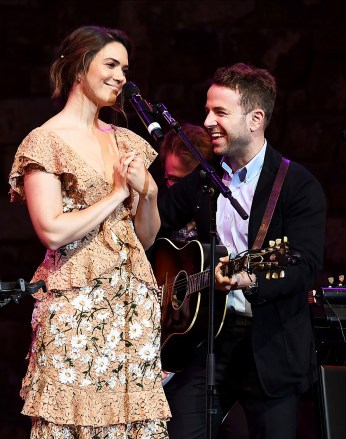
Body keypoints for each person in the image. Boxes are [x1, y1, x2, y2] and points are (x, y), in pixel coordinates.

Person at [9, 25, 170, 438]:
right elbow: (52, 230)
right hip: (76, 311)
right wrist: (118, 193)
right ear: (79, 67)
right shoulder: (45, 141)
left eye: (125, 68)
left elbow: (146, 238)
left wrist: (147, 194)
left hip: (131, 310)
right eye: (111, 64)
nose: (121, 77)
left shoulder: (127, 141)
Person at [157, 62, 326, 439]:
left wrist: (248, 279)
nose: (207, 121)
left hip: (270, 346)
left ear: (255, 119)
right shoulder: (206, 177)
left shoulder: (298, 185)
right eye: (208, 109)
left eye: (220, 112)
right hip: (208, 339)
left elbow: (304, 265)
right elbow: (156, 223)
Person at [159, 122, 214, 242]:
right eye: (173, 179)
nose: (179, 189)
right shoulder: (157, 204)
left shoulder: (216, 206)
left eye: (186, 181)